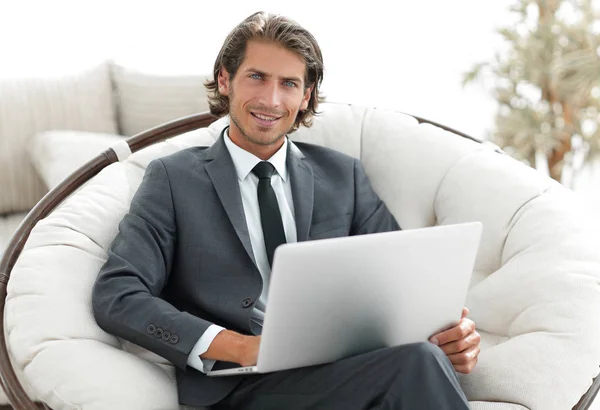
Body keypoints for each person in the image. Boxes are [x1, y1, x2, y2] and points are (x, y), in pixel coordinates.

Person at [92, 11, 480, 410]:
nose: (271, 100)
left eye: (289, 84)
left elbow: (406, 283)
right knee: (415, 366)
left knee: (422, 358)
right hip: (240, 389)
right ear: (225, 80)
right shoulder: (174, 179)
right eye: (257, 77)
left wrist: (451, 333)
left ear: (306, 96)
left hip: (343, 373)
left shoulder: (342, 176)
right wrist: (238, 347)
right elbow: (117, 294)